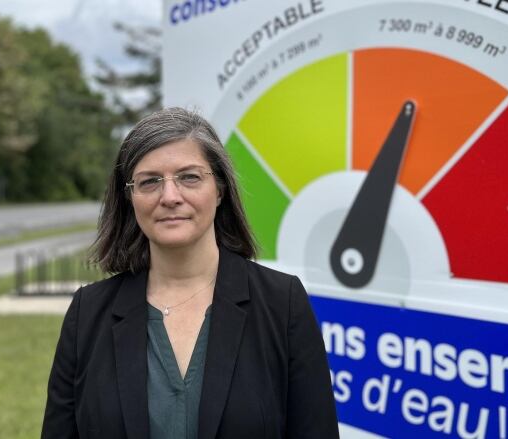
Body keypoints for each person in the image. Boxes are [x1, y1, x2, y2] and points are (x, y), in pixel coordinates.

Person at [41, 107, 338, 439]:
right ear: (130, 198)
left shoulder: (282, 304)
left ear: (220, 190)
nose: (170, 196)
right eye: (149, 181)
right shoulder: (88, 313)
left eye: (189, 177)